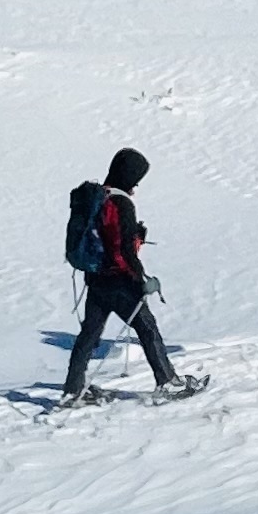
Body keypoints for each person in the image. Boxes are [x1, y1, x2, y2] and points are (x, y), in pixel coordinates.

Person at [62, 147, 195, 399]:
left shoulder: (97, 197)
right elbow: (121, 250)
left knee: (89, 334)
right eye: (136, 179)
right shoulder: (121, 203)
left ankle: (72, 388)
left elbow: (107, 239)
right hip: (118, 281)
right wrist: (141, 279)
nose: (136, 185)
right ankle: (167, 381)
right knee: (147, 327)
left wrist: (135, 238)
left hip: (95, 278)